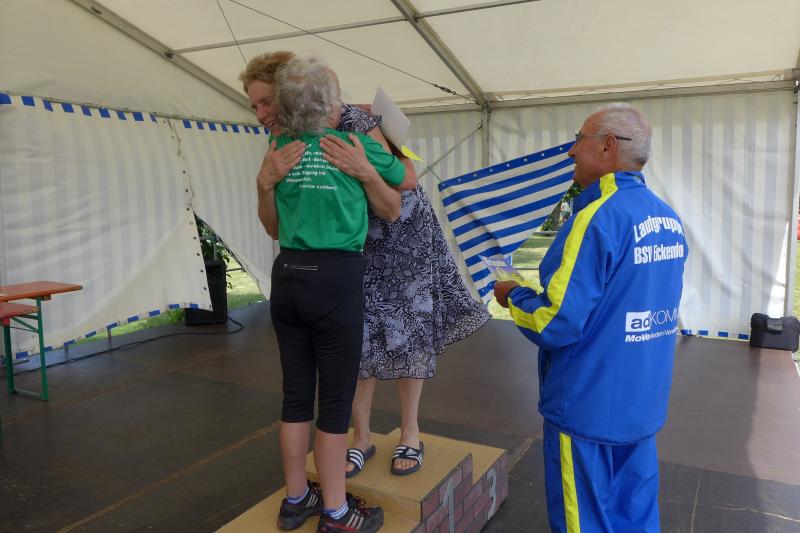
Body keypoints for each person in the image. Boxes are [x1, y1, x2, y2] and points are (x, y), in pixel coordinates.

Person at [242, 51, 491, 481]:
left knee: (408, 330)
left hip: (401, 236)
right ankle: (360, 437)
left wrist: (364, 170)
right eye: (255, 106)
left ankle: (410, 432)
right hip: (349, 248)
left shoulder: (358, 122)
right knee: (356, 341)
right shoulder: (285, 138)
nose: (262, 114)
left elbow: (406, 176)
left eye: (267, 102)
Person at [494, 104, 688, 533]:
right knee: (636, 518)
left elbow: (555, 322)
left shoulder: (596, 217)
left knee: (583, 522)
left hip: (588, 406)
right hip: (641, 405)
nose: (571, 152)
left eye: (578, 140)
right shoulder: (667, 219)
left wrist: (512, 296)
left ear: (607, 146)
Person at [245, 56, 405, 533]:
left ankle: (296, 499)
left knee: (296, 397)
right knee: (334, 404)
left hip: (288, 275)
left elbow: (272, 226)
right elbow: (401, 188)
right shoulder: (354, 145)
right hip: (335, 280)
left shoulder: (279, 149)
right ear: (331, 106)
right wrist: (374, 157)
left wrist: (268, 182)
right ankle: (336, 511)